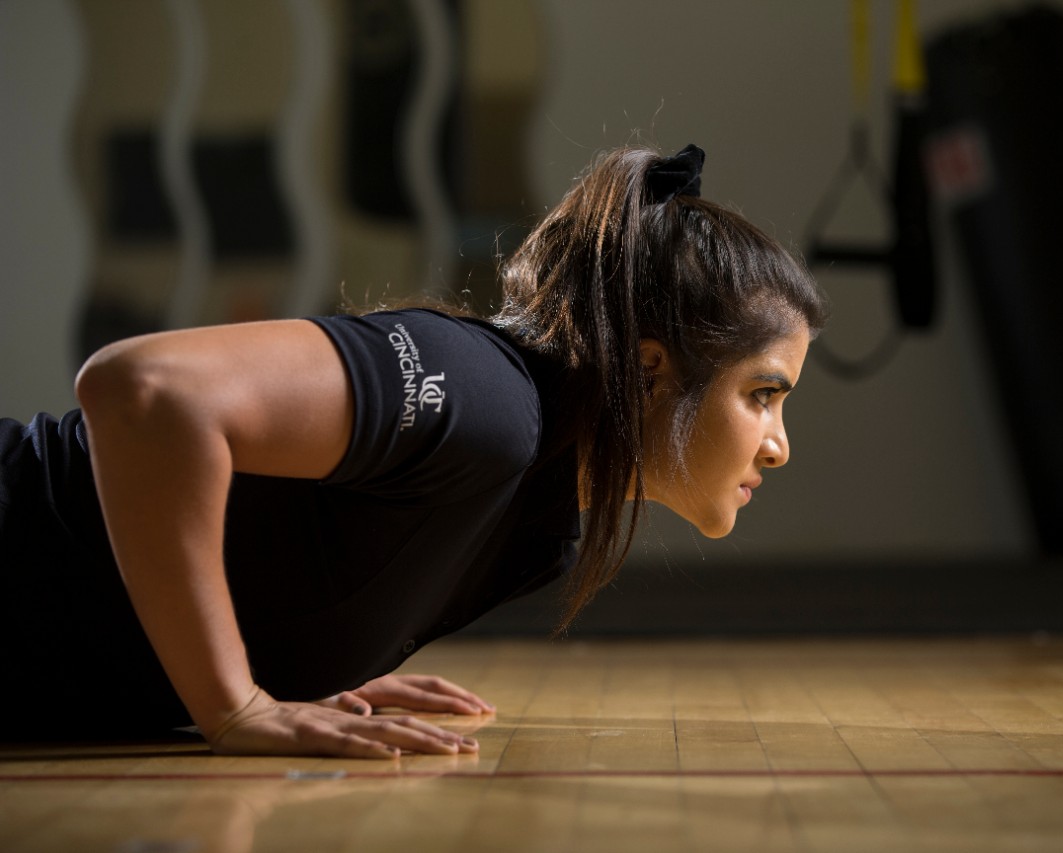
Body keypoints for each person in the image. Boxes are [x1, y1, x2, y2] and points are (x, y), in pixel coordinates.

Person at [0, 144, 827, 758]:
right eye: (763, 394)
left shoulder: (539, 535)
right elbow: (142, 391)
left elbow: (278, 541)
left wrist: (296, 665)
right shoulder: (486, 398)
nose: (779, 445)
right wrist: (236, 702)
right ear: (652, 371)